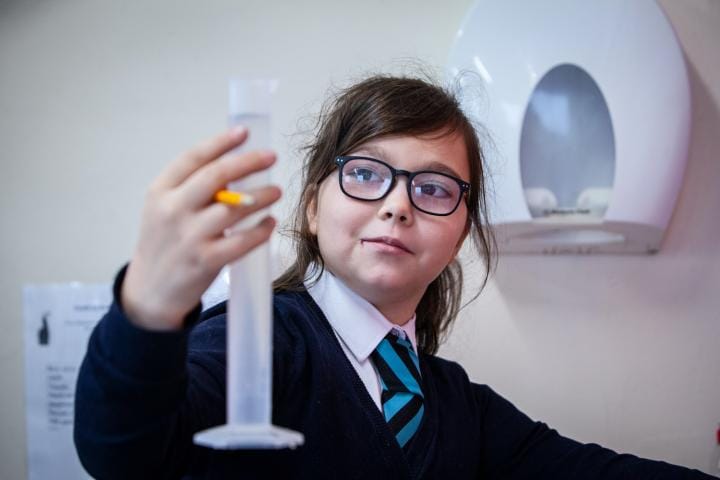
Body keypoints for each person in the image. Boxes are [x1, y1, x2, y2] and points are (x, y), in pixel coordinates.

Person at [73, 75, 716, 479]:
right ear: (311, 206)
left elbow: (588, 471)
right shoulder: (261, 342)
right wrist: (147, 311)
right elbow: (122, 453)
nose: (398, 203)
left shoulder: (456, 403)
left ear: (460, 230)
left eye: (434, 187)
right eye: (365, 173)